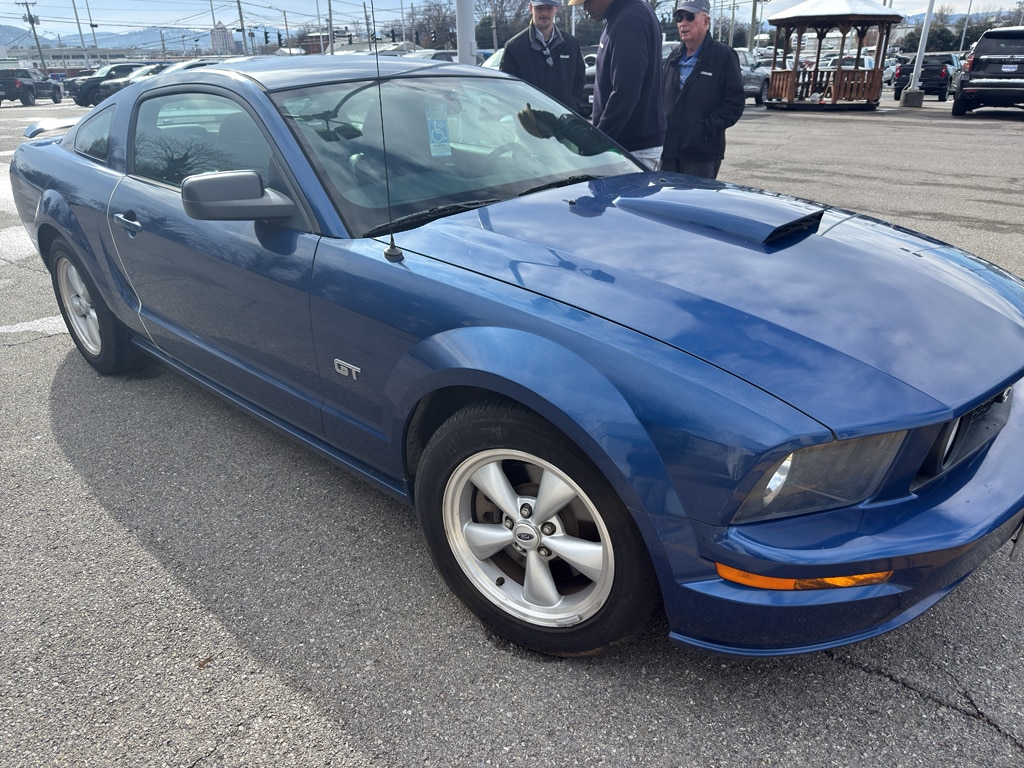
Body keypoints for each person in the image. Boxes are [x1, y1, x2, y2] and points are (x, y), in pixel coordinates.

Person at [568, 0, 664, 169]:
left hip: (632, 147)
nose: (585, 8)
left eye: (588, 1)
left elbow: (626, 92)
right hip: (628, 144)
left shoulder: (630, 19)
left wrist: (598, 139)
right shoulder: (621, 17)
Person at [660, 0, 745, 179]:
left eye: (689, 17)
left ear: (706, 21)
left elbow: (734, 104)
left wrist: (704, 128)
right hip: (669, 151)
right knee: (668, 205)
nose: (683, 23)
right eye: (679, 18)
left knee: (694, 204)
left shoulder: (723, 56)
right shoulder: (672, 58)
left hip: (702, 154)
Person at [500, 0, 586, 114]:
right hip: (529, 125)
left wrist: (573, 105)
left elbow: (579, 79)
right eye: (539, 8)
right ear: (530, 8)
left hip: (565, 122)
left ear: (556, 9)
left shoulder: (571, 44)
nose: (544, 13)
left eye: (549, 8)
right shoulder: (514, 48)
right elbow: (507, 89)